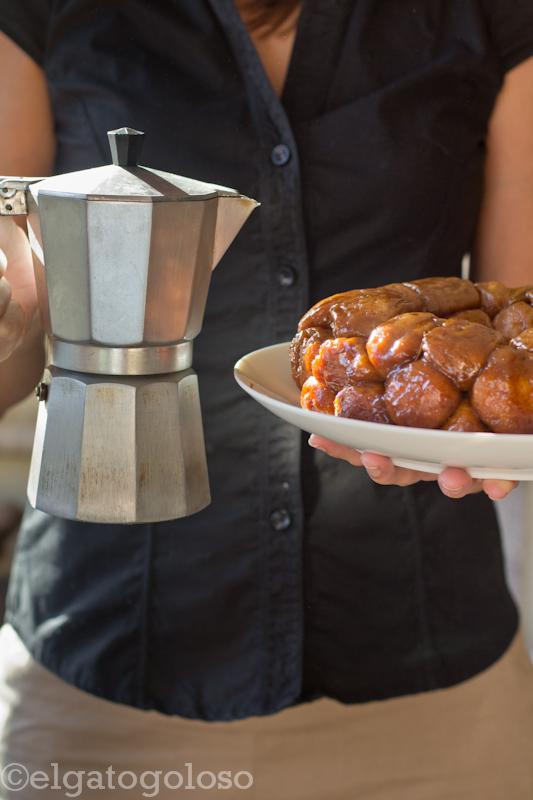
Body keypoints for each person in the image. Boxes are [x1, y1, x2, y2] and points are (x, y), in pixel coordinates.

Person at [0, 1, 533, 797]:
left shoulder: (489, 16)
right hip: (102, 671)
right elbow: (18, 313)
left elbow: (514, 318)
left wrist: (485, 443)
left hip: (423, 673)